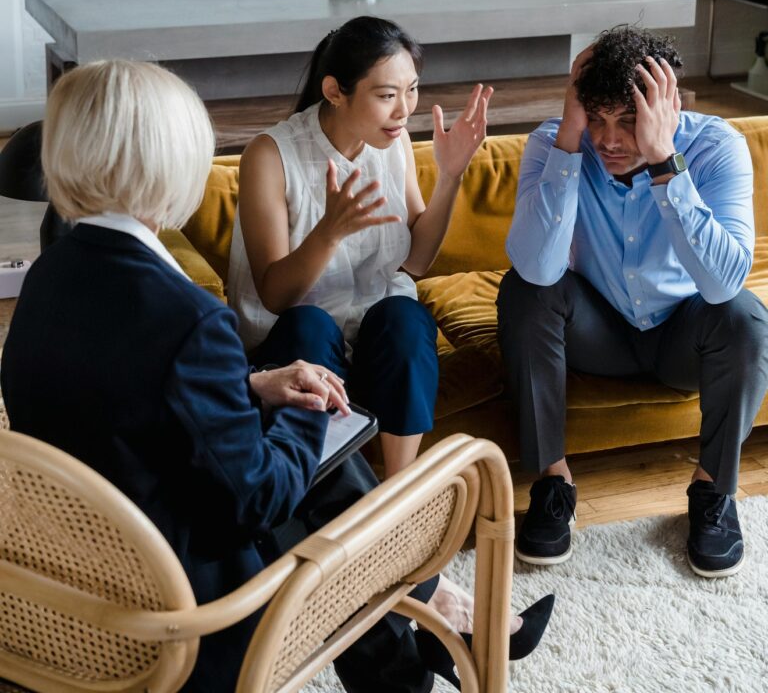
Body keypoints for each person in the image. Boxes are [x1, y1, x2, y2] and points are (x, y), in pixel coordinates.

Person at [1, 59, 553, 693]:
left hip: (78, 571)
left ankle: (417, 640)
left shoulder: (48, 275)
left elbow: (125, 396)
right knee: (332, 466)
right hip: (188, 613)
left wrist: (255, 386)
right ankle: (431, 614)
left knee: (329, 464)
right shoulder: (189, 319)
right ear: (172, 164)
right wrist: (305, 411)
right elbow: (258, 501)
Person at [497, 24, 768, 578]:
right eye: (597, 118)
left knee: (745, 317)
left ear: (669, 106)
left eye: (628, 120)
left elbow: (722, 284)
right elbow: (540, 267)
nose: (611, 140)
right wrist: (571, 137)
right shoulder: (556, 143)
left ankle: (713, 491)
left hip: (682, 340)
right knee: (523, 289)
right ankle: (552, 483)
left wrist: (665, 160)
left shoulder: (716, 147)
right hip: (598, 333)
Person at [228, 17, 494, 479]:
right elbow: (275, 296)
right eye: (387, 95)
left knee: (407, 317)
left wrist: (450, 176)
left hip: (370, 340)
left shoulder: (395, 144)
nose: (404, 110)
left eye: (411, 90)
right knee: (308, 324)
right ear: (335, 91)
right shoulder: (270, 156)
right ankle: (335, 491)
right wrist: (327, 233)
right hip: (293, 343)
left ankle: (396, 494)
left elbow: (415, 261)